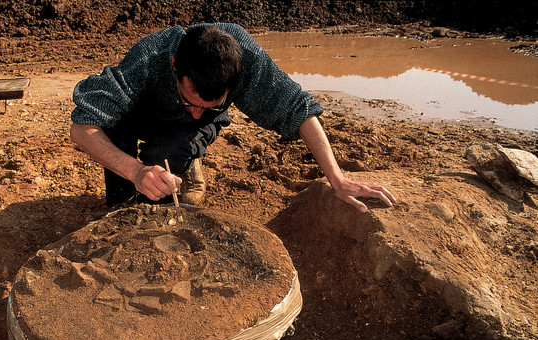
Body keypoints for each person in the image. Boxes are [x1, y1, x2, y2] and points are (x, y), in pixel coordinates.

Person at [70, 23, 396, 212]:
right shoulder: (149, 58)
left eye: (210, 104)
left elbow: (299, 109)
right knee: (117, 153)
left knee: (166, 155)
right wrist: (136, 171)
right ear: (174, 67)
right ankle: (125, 203)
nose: (196, 112)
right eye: (189, 100)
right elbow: (82, 127)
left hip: (181, 135)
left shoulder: (247, 59)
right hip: (141, 114)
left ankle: (188, 162)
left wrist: (337, 180)